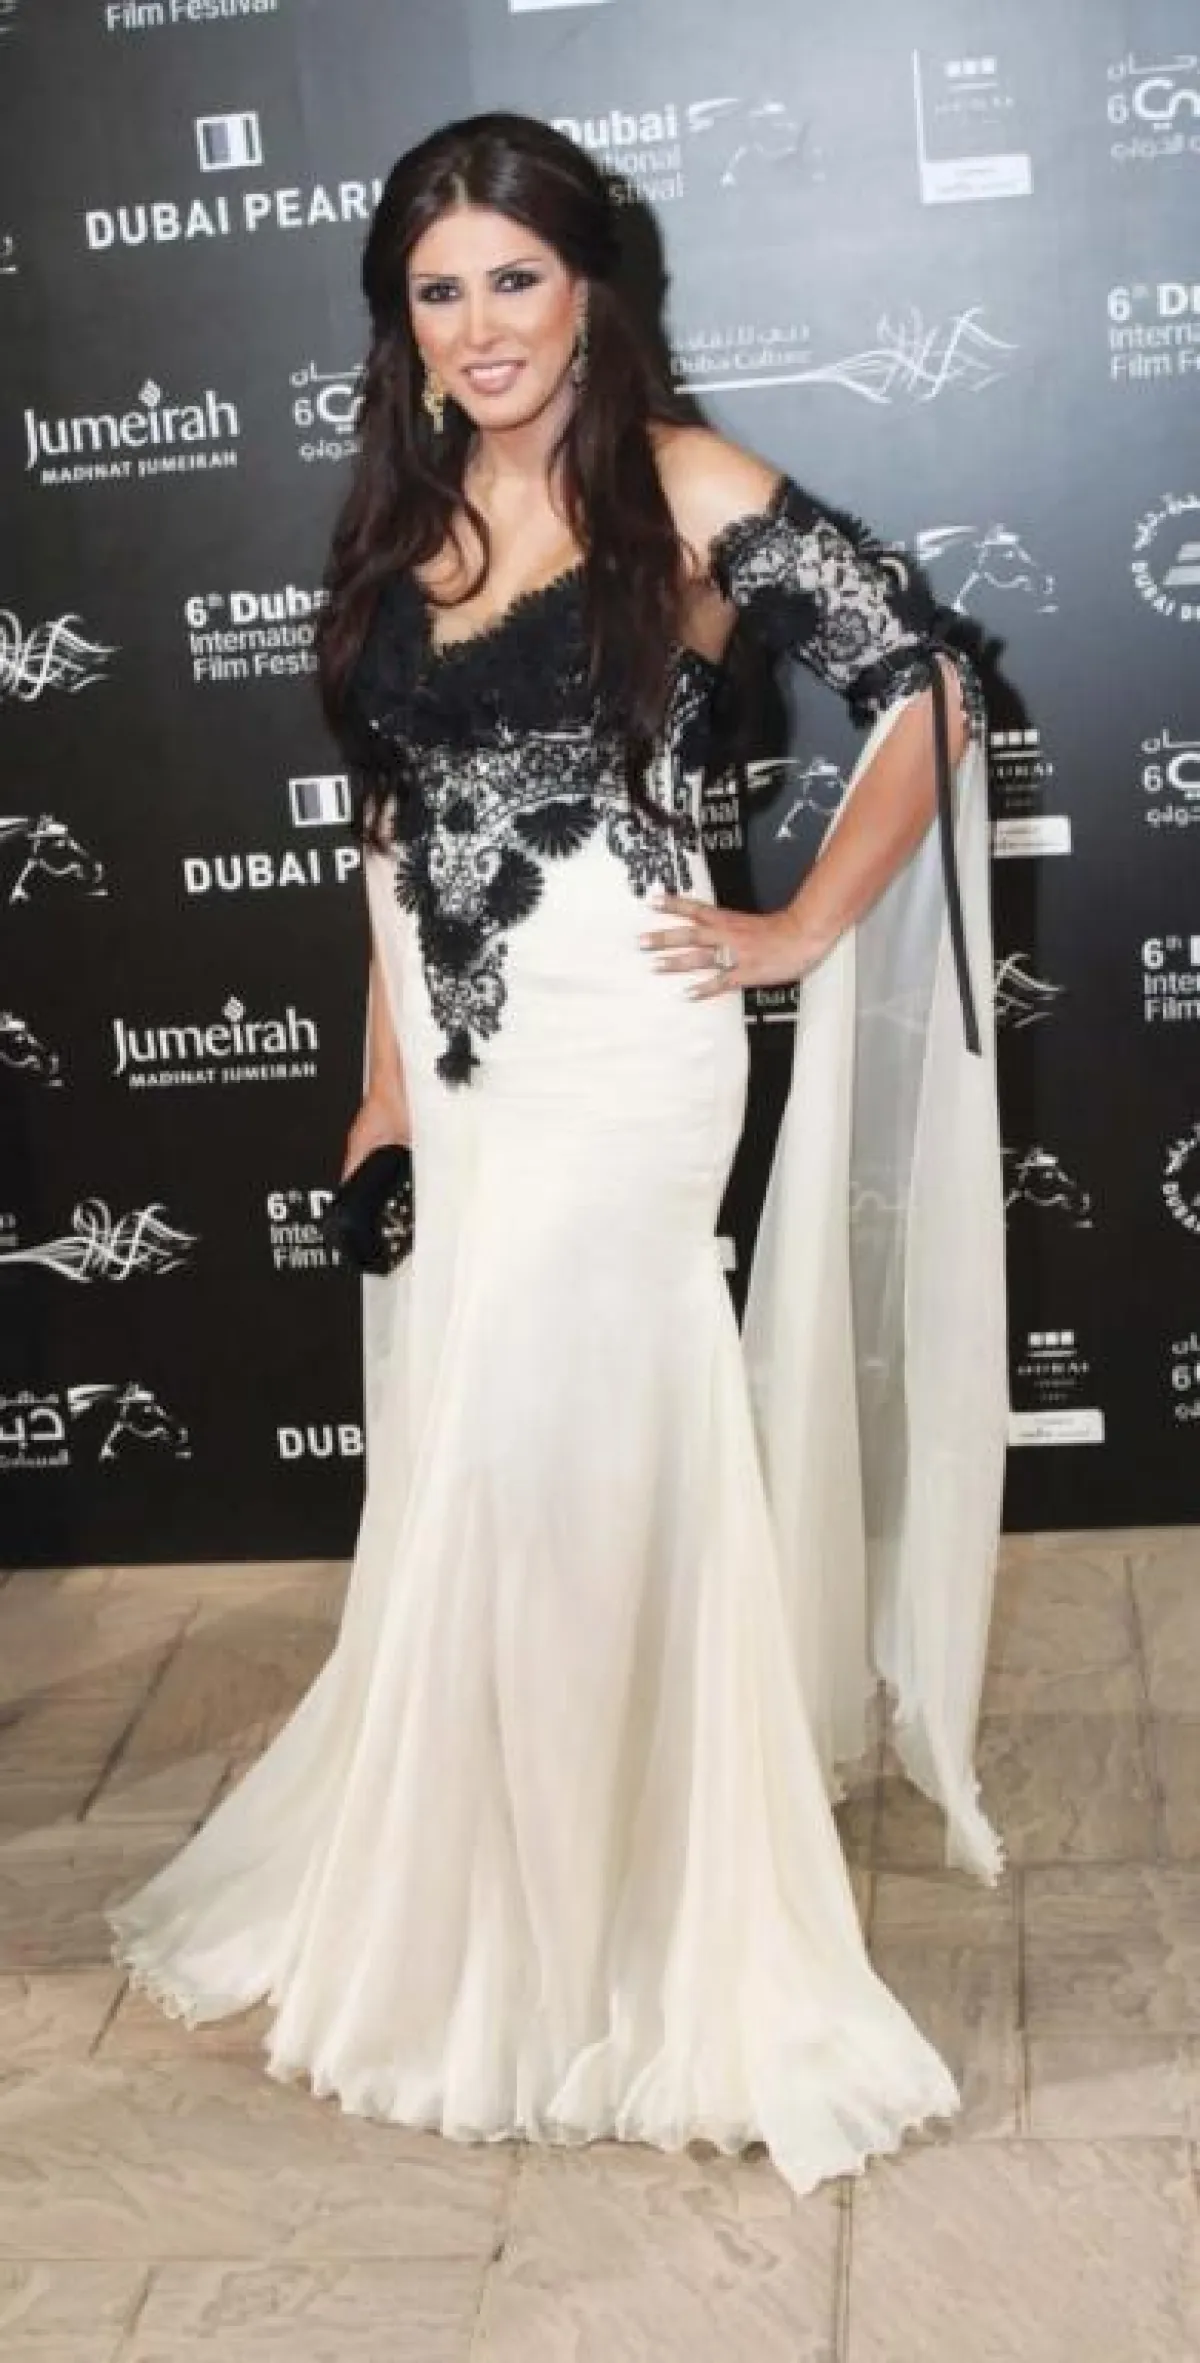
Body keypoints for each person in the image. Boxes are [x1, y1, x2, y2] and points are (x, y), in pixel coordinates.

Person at [107, 111, 1008, 2199]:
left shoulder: (683, 487)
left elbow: (931, 690)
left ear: (591, 286)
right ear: (402, 323)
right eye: (440, 290)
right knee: (483, 1461)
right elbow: (394, 833)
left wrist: (798, 927)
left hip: (623, 1049)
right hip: (462, 1068)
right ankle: (495, 1885)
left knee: (579, 1455)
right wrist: (381, 1089)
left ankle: (618, 1927)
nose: (480, 323)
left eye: (513, 277)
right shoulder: (399, 516)